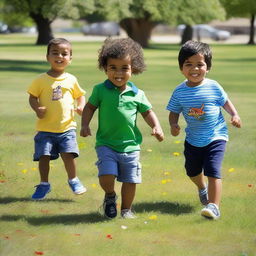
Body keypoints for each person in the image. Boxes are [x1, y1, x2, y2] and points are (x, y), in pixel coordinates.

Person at [80, 38, 164, 219]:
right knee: (106, 175)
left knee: (130, 180)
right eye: (113, 68)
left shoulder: (137, 94)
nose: (119, 73)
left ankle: (126, 209)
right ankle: (110, 195)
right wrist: (85, 124)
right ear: (105, 68)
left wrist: (156, 126)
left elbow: (148, 112)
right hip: (106, 144)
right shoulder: (100, 90)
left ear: (133, 68)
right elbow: (89, 108)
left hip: (131, 146)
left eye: (124, 68)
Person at [166, 40, 241, 220]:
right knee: (192, 171)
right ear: (181, 68)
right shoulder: (179, 91)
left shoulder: (214, 86)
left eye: (200, 64)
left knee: (213, 170)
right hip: (193, 139)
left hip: (216, 135)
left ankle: (214, 206)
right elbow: (173, 111)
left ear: (208, 67)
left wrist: (235, 115)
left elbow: (225, 102)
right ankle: (202, 187)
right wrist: (173, 125)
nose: (195, 69)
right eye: (189, 64)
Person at [28, 38, 86, 200]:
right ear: (47, 57)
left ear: (70, 58)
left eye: (64, 53)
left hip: (66, 128)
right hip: (45, 129)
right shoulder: (41, 79)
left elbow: (80, 96)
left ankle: (73, 180)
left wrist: (81, 106)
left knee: (68, 155)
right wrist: (37, 108)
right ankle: (44, 184)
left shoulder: (71, 79)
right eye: (55, 53)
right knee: (43, 156)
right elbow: (32, 97)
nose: (59, 56)